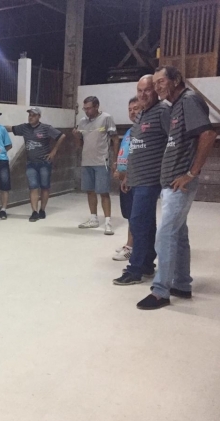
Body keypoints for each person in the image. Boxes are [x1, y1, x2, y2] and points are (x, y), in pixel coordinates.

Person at [137, 66, 217, 310]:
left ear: (176, 80)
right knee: (179, 235)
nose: (158, 87)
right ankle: (182, 284)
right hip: (171, 181)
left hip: (180, 184)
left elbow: (208, 135)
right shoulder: (176, 105)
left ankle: (160, 291)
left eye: (161, 82)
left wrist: (191, 173)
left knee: (166, 234)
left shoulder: (189, 100)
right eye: (155, 83)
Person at [113, 75, 170, 286]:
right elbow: (135, 149)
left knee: (137, 222)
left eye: (147, 90)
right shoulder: (141, 116)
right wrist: (128, 175)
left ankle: (134, 270)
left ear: (155, 90)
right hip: (135, 178)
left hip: (150, 178)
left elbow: (174, 140)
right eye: (139, 90)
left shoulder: (163, 111)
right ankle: (146, 263)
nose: (143, 94)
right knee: (146, 223)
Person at [4, 107, 66, 222]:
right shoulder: (24, 128)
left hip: (44, 163)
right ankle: (34, 212)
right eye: (30, 115)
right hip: (31, 163)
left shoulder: (46, 128)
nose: (31, 117)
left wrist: (54, 151)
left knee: (45, 187)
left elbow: (62, 136)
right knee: (33, 187)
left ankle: (42, 209)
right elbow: (11, 128)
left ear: (39, 117)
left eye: (33, 115)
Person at [73, 96, 119, 235]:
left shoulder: (106, 118)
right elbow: (79, 145)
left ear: (97, 106)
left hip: (101, 161)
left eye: (89, 108)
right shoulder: (82, 122)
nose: (86, 111)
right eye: (84, 109)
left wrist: (115, 161)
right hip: (87, 162)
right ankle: (93, 218)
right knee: (90, 191)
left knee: (104, 192)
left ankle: (108, 222)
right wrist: (76, 136)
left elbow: (115, 140)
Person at [112, 96, 142, 261]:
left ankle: (131, 247)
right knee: (129, 215)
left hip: (135, 180)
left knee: (135, 216)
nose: (132, 112)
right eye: (130, 109)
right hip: (125, 180)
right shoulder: (131, 130)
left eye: (136, 109)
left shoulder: (143, 130)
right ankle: (129, 243)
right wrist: (119, 166)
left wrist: (128, 174)